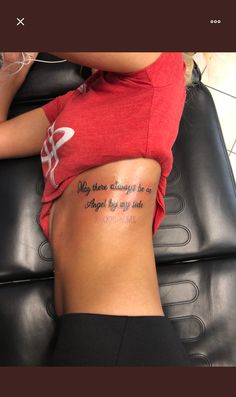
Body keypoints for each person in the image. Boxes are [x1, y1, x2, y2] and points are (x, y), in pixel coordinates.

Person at [0, 51, 196, 366]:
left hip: (122, 333)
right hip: (95, 333)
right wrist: (13, 66)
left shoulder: (158, 66)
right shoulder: (70, 104)